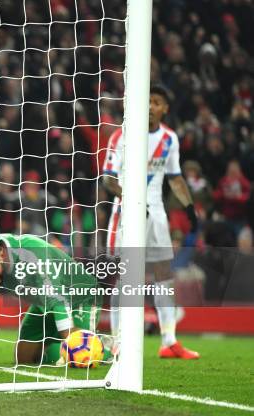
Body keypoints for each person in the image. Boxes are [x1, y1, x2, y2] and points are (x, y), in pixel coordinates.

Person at [103, 85, 199, 359]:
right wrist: (133, 199)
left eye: (156, 102)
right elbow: (108, 179)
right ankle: (117, 343)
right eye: (147, 101)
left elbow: (176, 177)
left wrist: (189, 206)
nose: (151, 106)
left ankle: (169, 341)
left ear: (165, 108)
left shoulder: (170, 138)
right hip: (126, 212)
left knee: (164, 280)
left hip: (156, 214)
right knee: (125, 279)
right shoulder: (122, 136)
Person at [0, 234, 109, 366]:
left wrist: (70, 343)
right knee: (23, 359)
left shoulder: (33, 255)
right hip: (43, 303)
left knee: (78, 354)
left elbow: (58, 300)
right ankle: (54, 351)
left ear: (1, 254)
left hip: (80, 296)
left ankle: (108, 346)